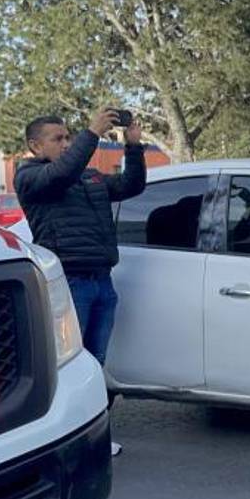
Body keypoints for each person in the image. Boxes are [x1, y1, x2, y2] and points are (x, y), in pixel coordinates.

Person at [15, 110, 147, 457]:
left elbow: (131, 186)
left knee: (94, 364)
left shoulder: (89, 177)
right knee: (68, 367)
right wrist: (92, 133)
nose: (66, 143)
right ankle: (63, 443)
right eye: (57, 138)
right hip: (71, 284)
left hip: (102, 281)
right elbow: (60, 174)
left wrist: (133, 147)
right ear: (35, 145)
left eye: (68, 137)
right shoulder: (31, 178)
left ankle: (95, 438)